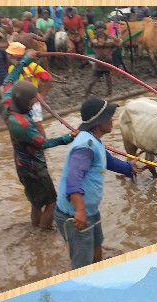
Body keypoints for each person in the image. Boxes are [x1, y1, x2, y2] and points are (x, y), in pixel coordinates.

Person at [55, 96, 134, 268]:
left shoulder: (94, 141)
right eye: (109, 117)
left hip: (89, 210)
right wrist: (80, 210)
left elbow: (108, 161)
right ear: (99, 122)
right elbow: (73, 179)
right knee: (82, 264)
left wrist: (130, 168)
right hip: (74, 214)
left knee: (97, 248)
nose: (112, 120)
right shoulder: (85, 146)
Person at [0, 49, 75, 230]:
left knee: (35, 202)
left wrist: (26, 60)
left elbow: (9, 79)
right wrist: (68, 138)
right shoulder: (24, 124)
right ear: (25, 103)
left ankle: (36, 230)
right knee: (51, 202)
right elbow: (43, 143)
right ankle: (44, 234)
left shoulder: (8, 102)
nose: (35, 103)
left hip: (20, 163)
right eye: (33, 101)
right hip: (34, 167)